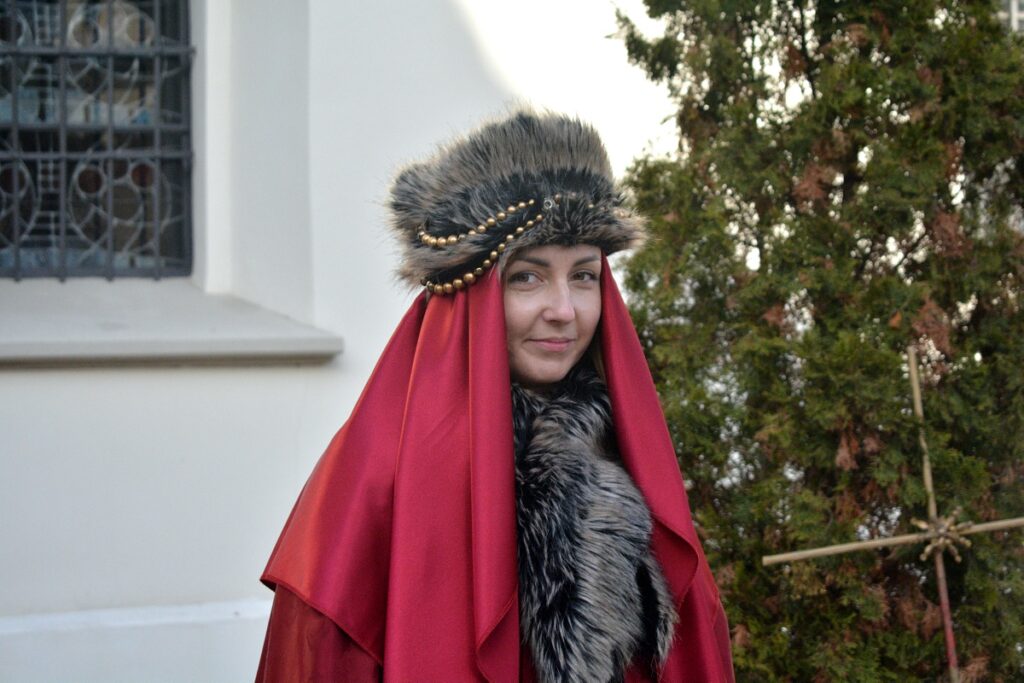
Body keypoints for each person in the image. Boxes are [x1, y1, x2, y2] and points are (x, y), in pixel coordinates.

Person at [256, 111, 735, 682]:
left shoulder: (625, 452)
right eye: (527, 277)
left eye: (584, 276)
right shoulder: (373, 478)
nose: (564, 310)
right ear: (471, 295)